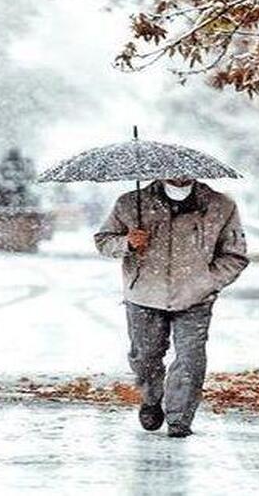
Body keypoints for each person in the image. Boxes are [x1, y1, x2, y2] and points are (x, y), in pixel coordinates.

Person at [95, 178, 249, 438]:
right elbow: (103, 240)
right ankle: (151, 399)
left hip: (195, 298)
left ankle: (179, 418)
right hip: (144, 294)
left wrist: (208, 281)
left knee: (191, 358)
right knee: (145, 357)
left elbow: (235, 254)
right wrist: (127, 243)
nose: (178, 175)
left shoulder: (221, 206)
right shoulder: (131, 203)